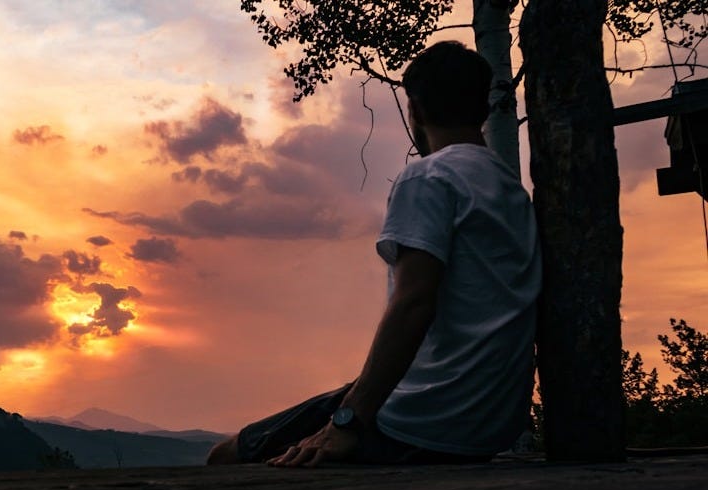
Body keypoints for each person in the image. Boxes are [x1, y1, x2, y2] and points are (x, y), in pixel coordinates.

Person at [207, 41, 542, 467]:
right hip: (488, 422)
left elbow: (413, 303)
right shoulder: (508, 187)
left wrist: (347, 423)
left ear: (415, 110)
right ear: (483, 110)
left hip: (430, 418)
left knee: (226, 457)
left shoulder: (430, 177)